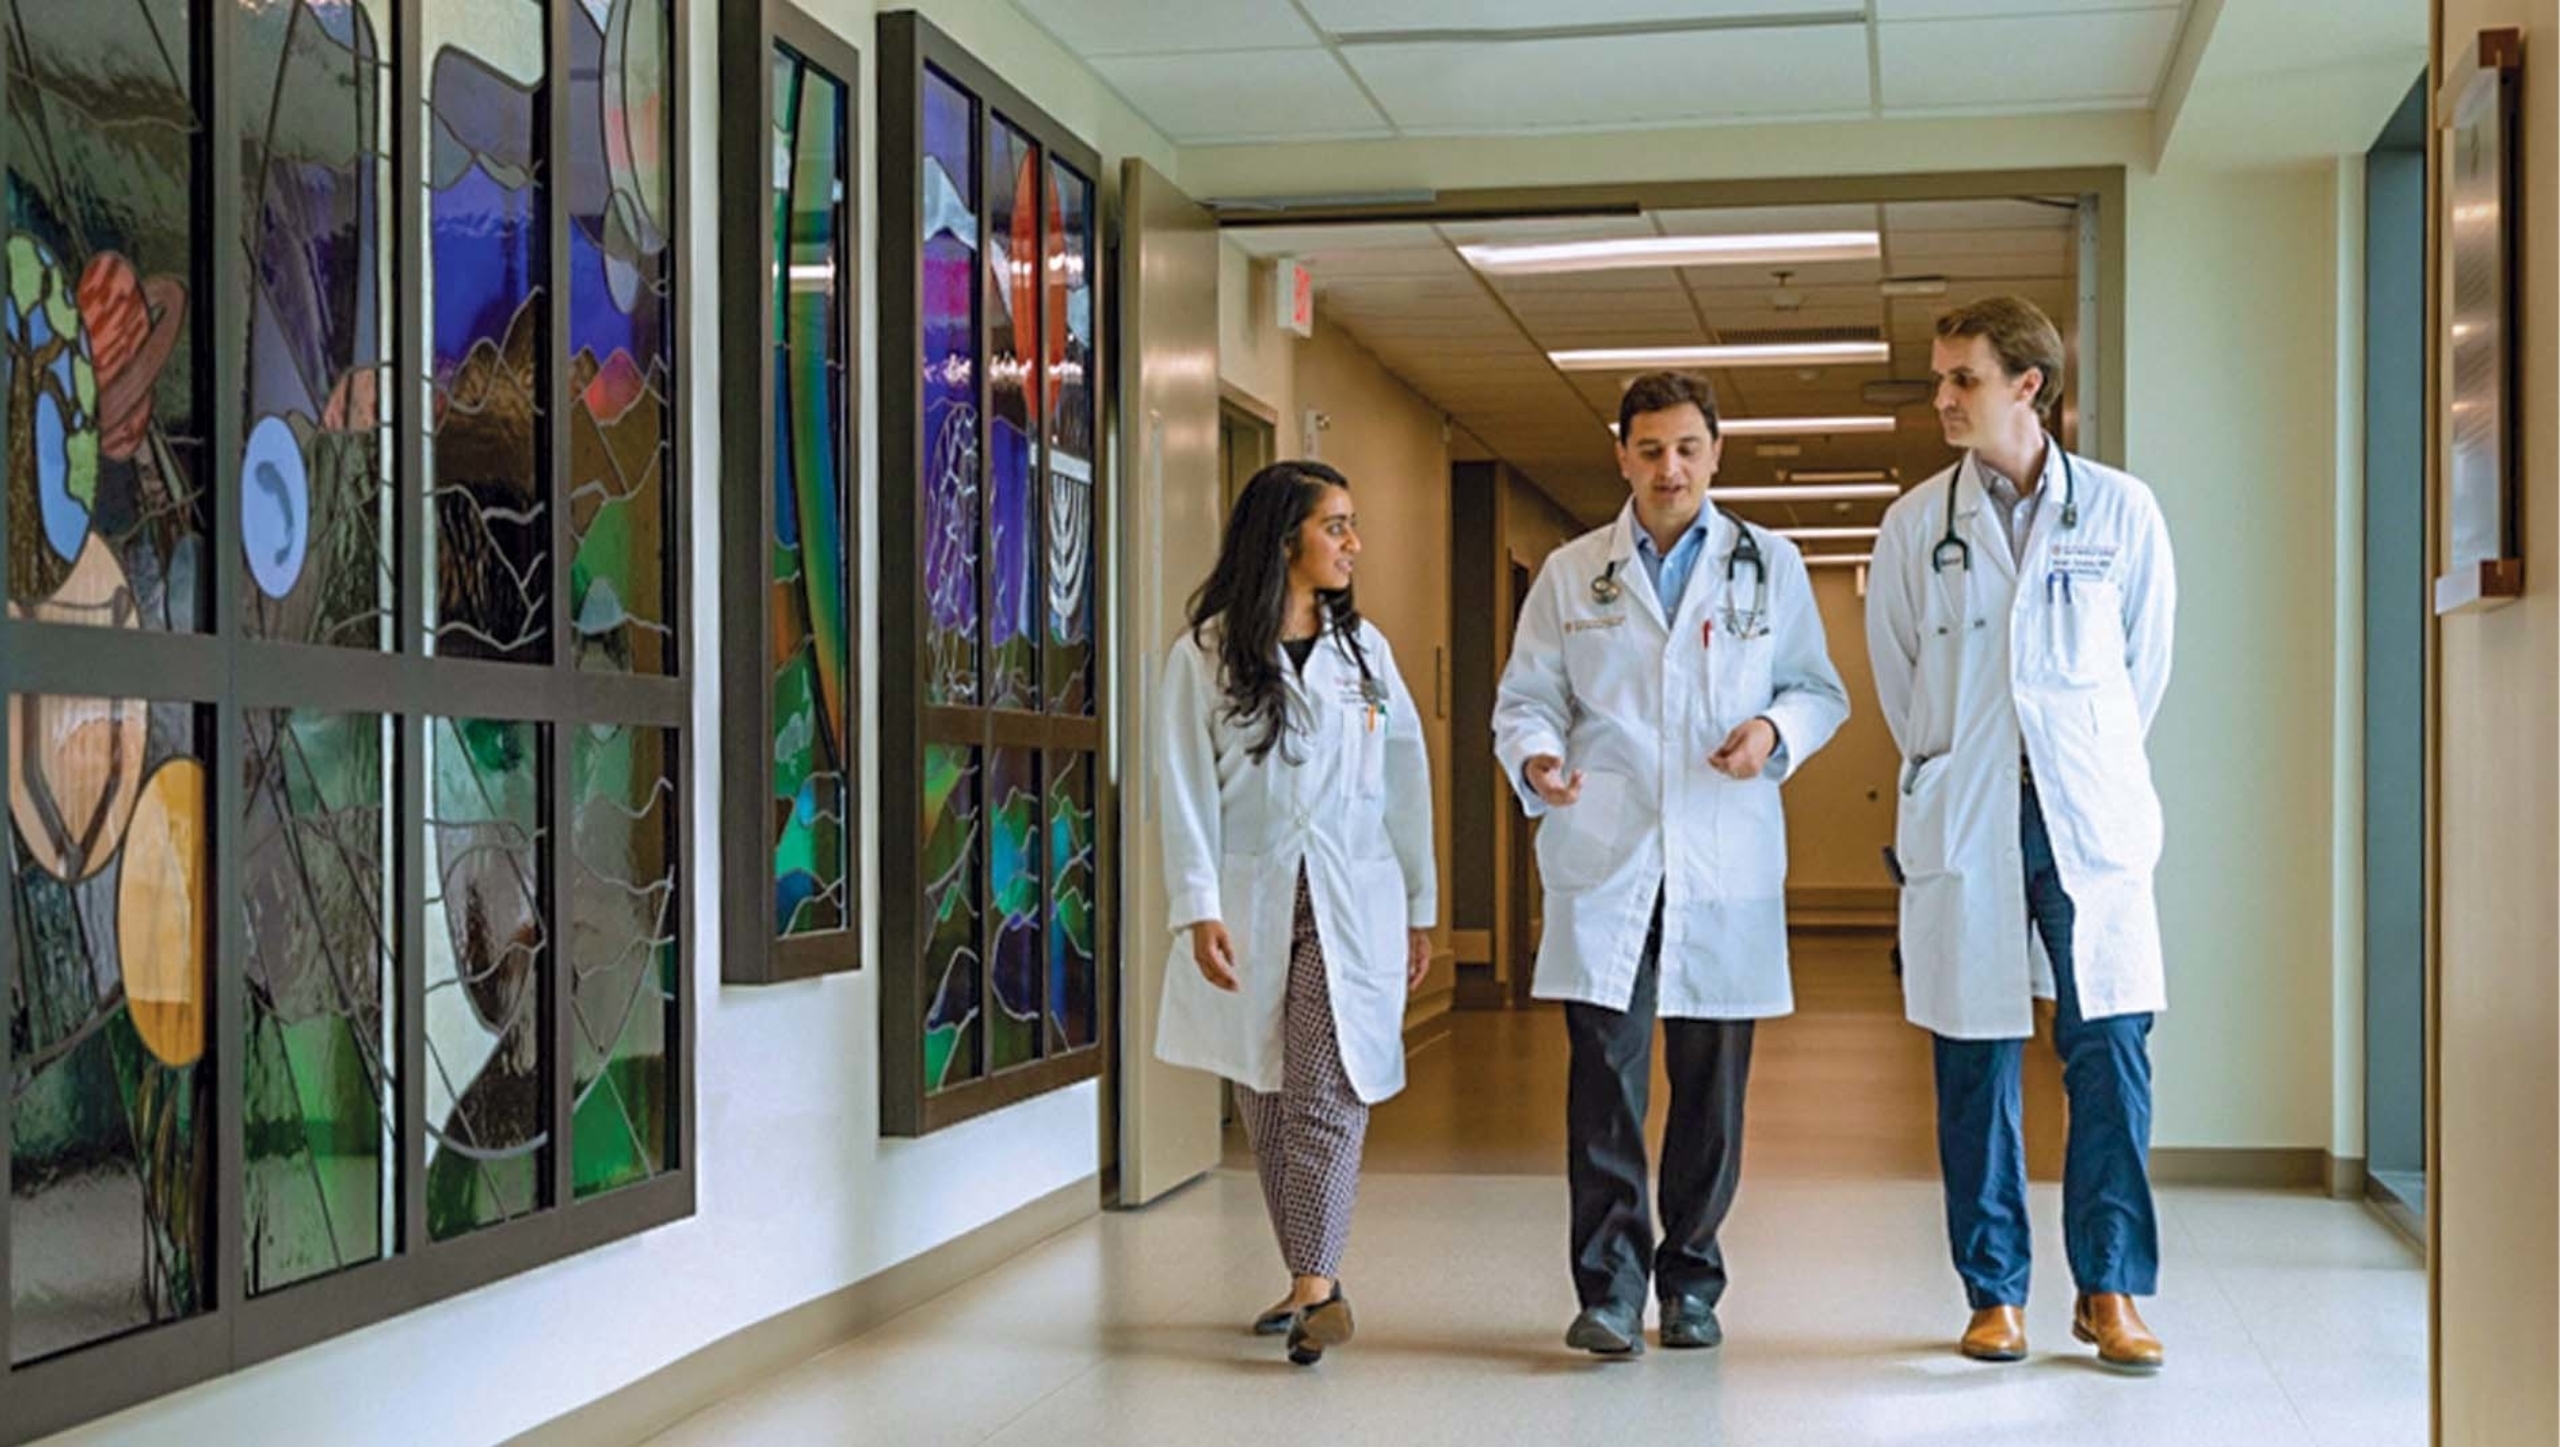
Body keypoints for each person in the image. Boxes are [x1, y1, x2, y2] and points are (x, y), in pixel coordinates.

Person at [1494, 371, 1849, 1356]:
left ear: (1715, 453)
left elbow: (1819, 690)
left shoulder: (1766, 564)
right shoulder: (1573, 572)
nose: (1668, 468)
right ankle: (1609, 1288)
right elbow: (1523, 697)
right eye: (1648, 449)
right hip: (1606, 855)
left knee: (1709, 1088)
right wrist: (1534, 755)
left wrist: (1772, 729)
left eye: (1687, 447)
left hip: (1719, 848)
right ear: (1621, 455)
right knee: (1603, 1080)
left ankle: (1691, 1282)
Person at [1865, 296, 2177, 1372]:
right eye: (1939, 378)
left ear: (2027, 386)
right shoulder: (1915, 524)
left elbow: (2143, 669)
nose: (1943, 398)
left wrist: (2067, 758)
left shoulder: (2121, 511)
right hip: (1969, 812)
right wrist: (1964, 768)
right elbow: (1901, 680)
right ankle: (1993, 1291)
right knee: (1973, 1054)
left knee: (2110, 1054)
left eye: (1964, 379)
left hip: (2083, 814)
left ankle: (2111, 1287)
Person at [1153, 460, 1436, 1367]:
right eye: (1337, 526)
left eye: (1353, 525)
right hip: (1252, 896)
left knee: (1324, 1078)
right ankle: (1306, 1280)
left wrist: (1421, 907)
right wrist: (1197, 907)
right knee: (1265, 1089)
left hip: (1355, 897)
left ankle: (1318, 1283)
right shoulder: (1202, 653)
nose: (1355, 543)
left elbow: (1406, 784)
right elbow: (1183, 788)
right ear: (1284, 540)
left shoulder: (1369, 655)